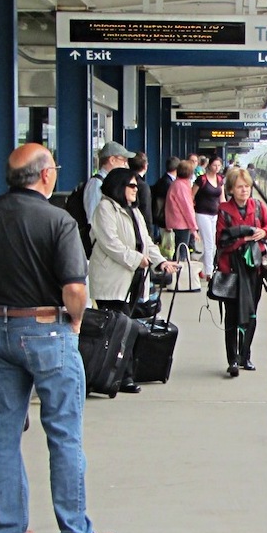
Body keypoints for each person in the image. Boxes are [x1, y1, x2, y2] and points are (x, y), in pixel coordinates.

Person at [0, 143, 117, 533]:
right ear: (46, 175)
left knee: (3, 435)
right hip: (47, 330)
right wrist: (77, 318)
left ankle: (9, 530)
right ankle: (74, 532)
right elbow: (74, 288)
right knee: (63, 434)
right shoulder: (58, 221)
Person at [89, 167, 179, 393]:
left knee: (125, 326)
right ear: (118, 186)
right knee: (121, 328)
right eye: (131, 185)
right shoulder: (105, 209)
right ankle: (122, 376)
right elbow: (110, 243)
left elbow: (146, 241)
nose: (136, 189)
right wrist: (137, 259)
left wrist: (161, 262)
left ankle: (120, 373)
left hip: (132, 278)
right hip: (112, 280)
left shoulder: (133, 211)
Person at [216, 166, 267, 377]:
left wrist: (263, 232)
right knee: (231, 316)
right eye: (240, 187)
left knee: (251, 313)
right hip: (230, 270)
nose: (244, 190)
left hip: (253, 270)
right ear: (231, 189)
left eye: (247, 186)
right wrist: (243, 239)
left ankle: (245, 356)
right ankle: (232, 359)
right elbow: (220, 241)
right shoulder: (223, 210)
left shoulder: (257, 207)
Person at [84, 141, 134, 224]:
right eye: (124, 160)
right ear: (112, 160)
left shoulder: (110, 182)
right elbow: (92, 216)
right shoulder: (96, 184)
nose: (126, 165)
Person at [192, 156, 226, 280]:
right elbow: (191, 196)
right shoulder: (201, 179)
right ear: (209, 165)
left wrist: (226, 213)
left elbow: (222, 199)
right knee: (209, 243)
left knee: (212, 244)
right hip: (202, 214)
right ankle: (209, 273)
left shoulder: (220, 179)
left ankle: (199, 265)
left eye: (219, 166)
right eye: (214, 165)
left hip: (215, 215)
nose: (216, 168)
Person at [164, 159, 199, 256]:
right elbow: (187, 208)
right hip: (181, 224)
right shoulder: (182, 186)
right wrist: (193, 228)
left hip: (175, 222)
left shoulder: (176, 183)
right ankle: (179, 270)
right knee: (182, 252)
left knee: (179, 250)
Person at [150, 155, 179, 237]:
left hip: (163, 219)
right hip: (165, 220)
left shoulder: (165, 180)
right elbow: (168, 204)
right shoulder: (168, 183)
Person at [128, 151, 154, 236]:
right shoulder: (143, 186)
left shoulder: (123, 183)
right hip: (139, 229)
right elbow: (146, 211)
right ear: (145, 166)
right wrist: (150, 233)